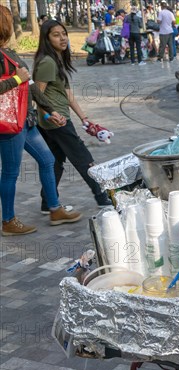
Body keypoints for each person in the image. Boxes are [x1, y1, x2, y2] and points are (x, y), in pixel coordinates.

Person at [0, 8, 82, 236]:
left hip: (25, 120)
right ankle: (8, 221)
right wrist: (17, 78)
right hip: (9, 124)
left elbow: (32, 87)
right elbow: (21, 81)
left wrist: (50, 110)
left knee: (47, 159)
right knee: (10, 172)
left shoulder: (8, 52)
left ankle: (55, 209)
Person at [32, 20, 113, 213]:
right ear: (47, 38)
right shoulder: (47, 62)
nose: (62, 38)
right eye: (56, 35)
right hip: (56, 121)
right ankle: (102, 197)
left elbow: (67, 94)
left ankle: (47, 202)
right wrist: (48, 116)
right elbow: (37, 94)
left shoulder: (56, 59)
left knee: (55, 162)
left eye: (63, 33)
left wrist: (84, 118)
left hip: (54, 119)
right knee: (83, 157)